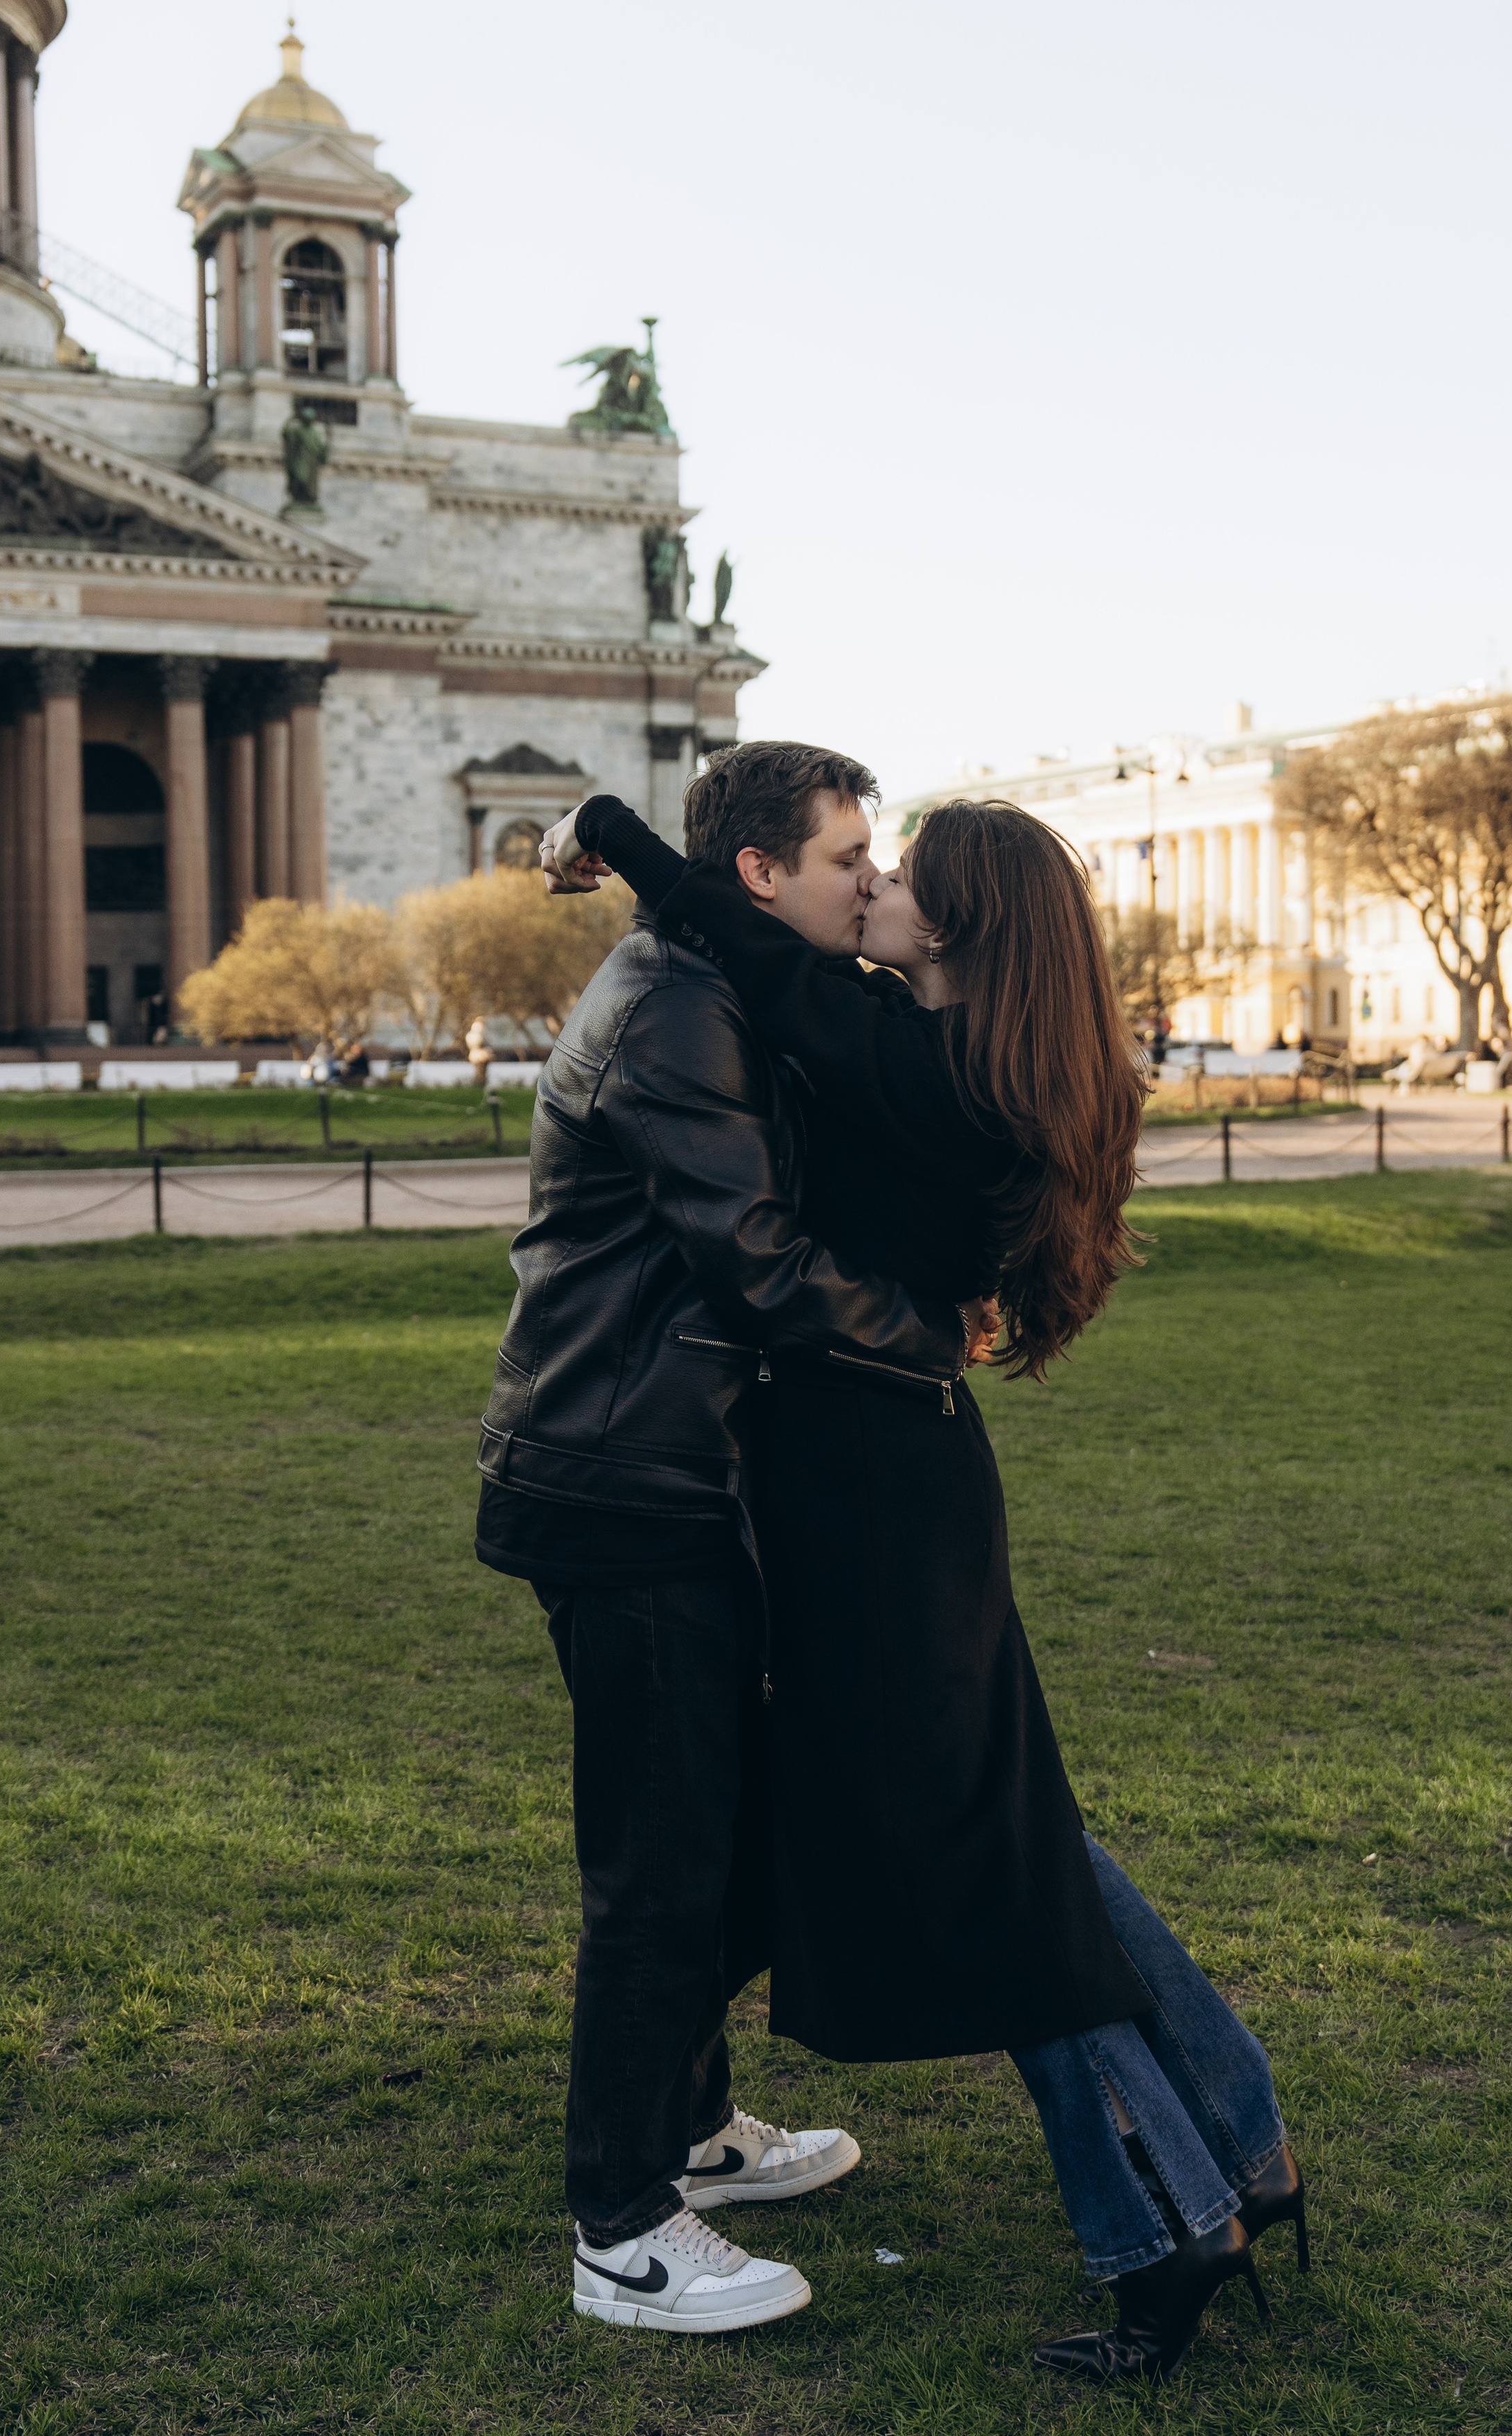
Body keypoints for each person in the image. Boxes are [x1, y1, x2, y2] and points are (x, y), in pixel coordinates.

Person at [542, 767, 1305, 2387]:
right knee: (1026, 1842)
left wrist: (607, 832)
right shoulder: (987, 1064)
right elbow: (743, 942)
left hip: (867, 1503)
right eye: (857, 862)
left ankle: (1166, 2224)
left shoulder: (903, 1058)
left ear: (948, 927)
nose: (869, 887)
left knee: (1002, 1876)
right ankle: (1236, 2144)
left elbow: (725, 935)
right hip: (904, 1481)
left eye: (893, 875)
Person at [472, 743, 991, 2338]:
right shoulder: (677, 1010)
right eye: (847, 856)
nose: (868, 878)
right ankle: (621, 2224)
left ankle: (691, 2133)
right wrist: (926, 1332)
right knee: (661, 1863)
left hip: (677, 1469)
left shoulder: (712, 972)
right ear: (763, 875)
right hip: (625, 1480)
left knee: (725, 1830)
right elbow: (756, 1263)